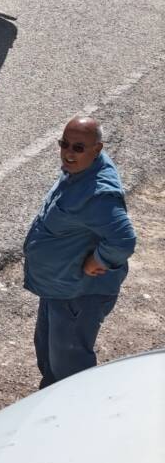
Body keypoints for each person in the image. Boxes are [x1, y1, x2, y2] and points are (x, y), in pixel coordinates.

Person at [23, 116, 136, 388]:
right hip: (59, 288)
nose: (68, 153)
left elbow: (123, 240)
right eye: (64, 144)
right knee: (50, 359)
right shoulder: (80, 171)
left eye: (78, 147)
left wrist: (98, 261)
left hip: (79, 296)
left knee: (70, 370)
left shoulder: (98, 194)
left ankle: (73, 421)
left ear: (97, 150)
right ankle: (50, 406)